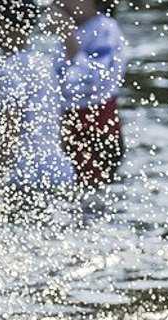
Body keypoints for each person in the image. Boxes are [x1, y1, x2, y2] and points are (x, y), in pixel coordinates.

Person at [0, 0, 77, 196]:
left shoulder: (9, 69)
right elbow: (59, 125)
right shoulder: (43, 63)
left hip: (27, 176)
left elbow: (9, 135)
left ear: (6, 25)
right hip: (60, 170)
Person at [50, 0, 126, 187]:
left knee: (94, 193)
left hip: (97, 124)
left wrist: (70, 42)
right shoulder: (76, 30)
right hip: (72, 124)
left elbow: (92, 81)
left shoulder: (105, 29)